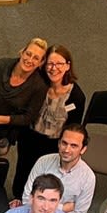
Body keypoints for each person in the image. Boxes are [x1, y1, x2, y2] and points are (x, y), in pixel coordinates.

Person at [12, 46, 87, 201]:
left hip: (52, 144)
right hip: (30, 137)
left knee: (45, 179)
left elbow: (73, 128)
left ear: (68, 65)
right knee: (23, 171)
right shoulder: (38, 84)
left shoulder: (76, 96)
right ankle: (18, 199)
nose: (54, 69)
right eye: (50, 64)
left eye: (59, 64)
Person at [0, 39, 48, 157]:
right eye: (28, 54)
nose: (30, 60)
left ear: (41, 63)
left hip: (2, 138)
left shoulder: (39, 86)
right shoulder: (1, 65)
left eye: (36, 58)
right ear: (22, 52)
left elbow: (28, 118)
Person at [14, 124, 95, 213]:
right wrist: (63, 208)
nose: (66, 150)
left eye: (73, 146)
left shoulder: (88, 177)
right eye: (64, 143)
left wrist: (42, 210)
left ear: (83, 149)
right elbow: (27, 199)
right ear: (58, 143)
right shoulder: (43, 161)